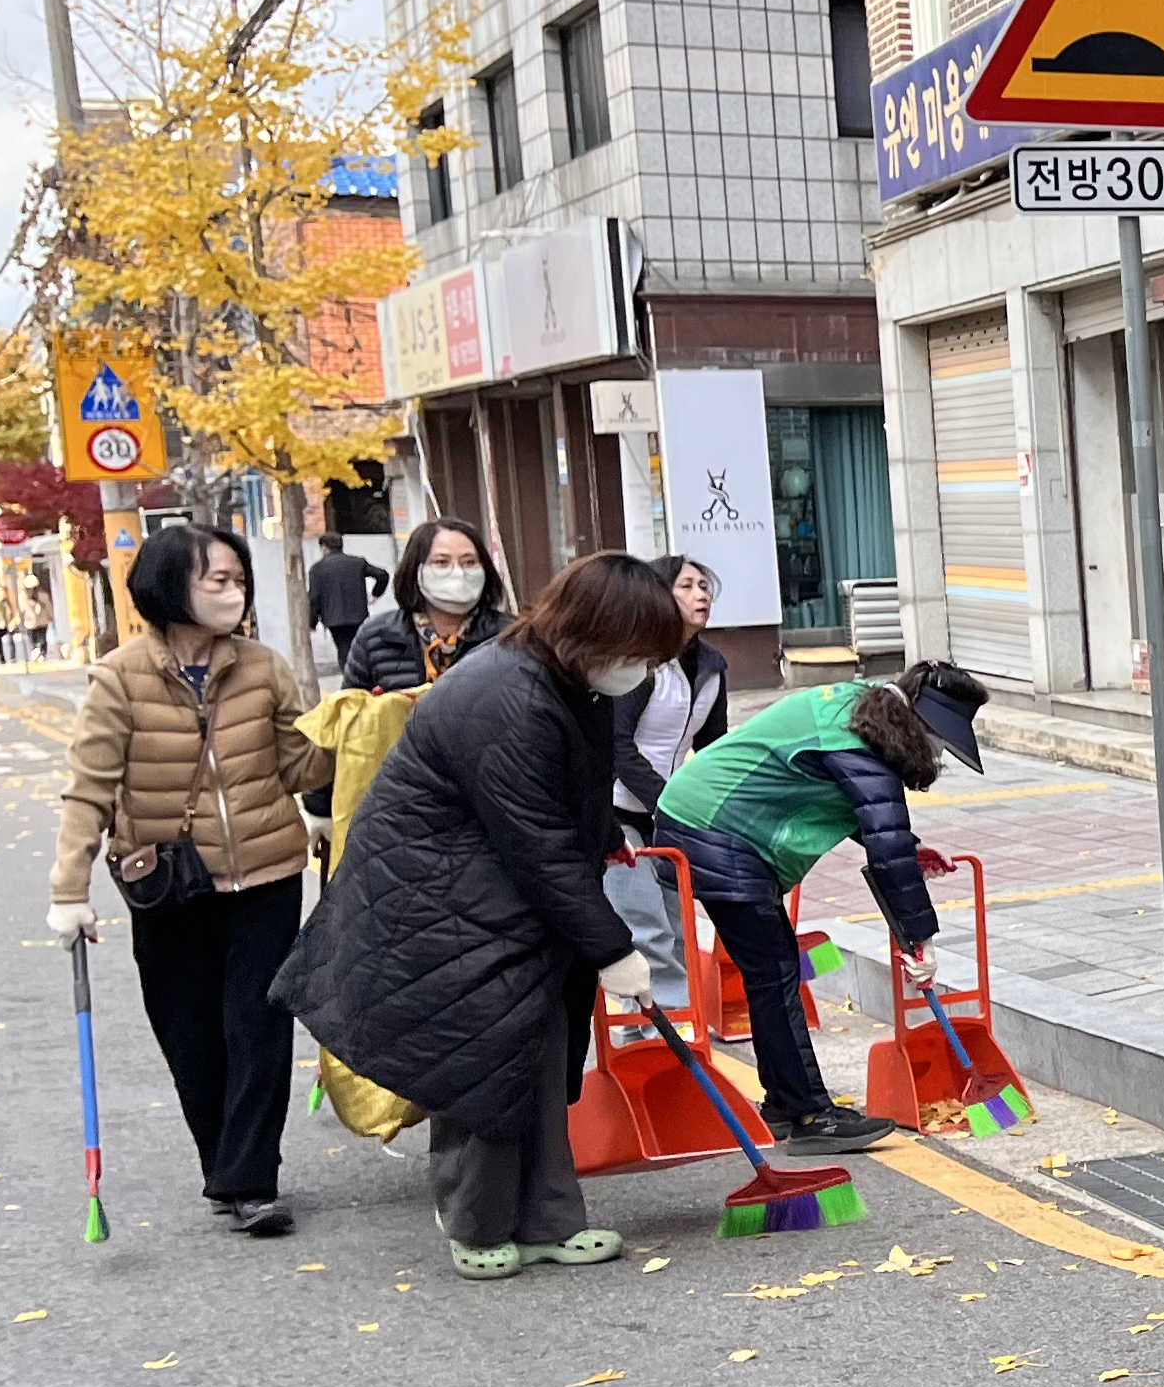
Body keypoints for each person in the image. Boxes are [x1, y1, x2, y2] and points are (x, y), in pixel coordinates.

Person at [272, 552, 690, 1276]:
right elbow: (537, 845)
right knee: (486, 1057)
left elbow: (573, 798)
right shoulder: (507, 696)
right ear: (591, 632)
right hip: (439, 899)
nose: (640, 670)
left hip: (499, 891)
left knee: (543, 1048)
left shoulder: (571, 678)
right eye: (634, 653)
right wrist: (611, 946)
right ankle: (478, 1225)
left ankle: (550, 1221)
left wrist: (605, 846)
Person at [47, 524, 333, 1238]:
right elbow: (89, 789)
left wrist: (350, 732)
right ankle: (223, 1165)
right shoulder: (119, 677)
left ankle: (250, 1180)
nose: (235, 594)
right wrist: (68, 890)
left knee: (259, 1023)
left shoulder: (264, 668)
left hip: (266, 873)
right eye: (218, 581)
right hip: (169, 883)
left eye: (240, 582)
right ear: (172, 584)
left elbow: (298, 767)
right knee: (190, 1032)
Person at [652, 659, 990, 1154]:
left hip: (706, 822)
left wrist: (907, 849)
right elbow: (884, 842)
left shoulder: (861, 709)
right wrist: (921, 944)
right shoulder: (862, 745)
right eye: (939, 742)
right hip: (713, 833)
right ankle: (810, 1114)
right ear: (918, 726)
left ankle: (786, 1106)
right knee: (774, 971)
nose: (937, 754)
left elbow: (872, 820)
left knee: (772, 973)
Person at [605, 555, 731, 1000]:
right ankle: (648, 1036)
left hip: (667, 813)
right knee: (645, 924)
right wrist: (666, 801)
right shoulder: (639, 662)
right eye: (687, 586)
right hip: (617, 811)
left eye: (704, 585)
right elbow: (618, 747)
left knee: (678, 923)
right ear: (658, 595)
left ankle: (679, 1026)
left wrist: (719, 808)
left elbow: (716, 749)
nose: (702, 595)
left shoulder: (712, 665)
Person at [341, 516, 507, 690]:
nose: (459, 573)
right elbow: (349, 709)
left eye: (469, 562)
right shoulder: (375, 636)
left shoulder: (512, 636)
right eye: (442, 562)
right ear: (416, 570)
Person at [304, 533, 386, 674]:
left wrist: (312, 622)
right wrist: (376, 593)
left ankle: (350, 679)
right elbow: (382, 575)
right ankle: (365, 676)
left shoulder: (317, 569)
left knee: (344, 650)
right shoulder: (357, 563)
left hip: (334, 619)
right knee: (360, 648)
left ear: (324, 548)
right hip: (358, 615)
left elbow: (314, 598)